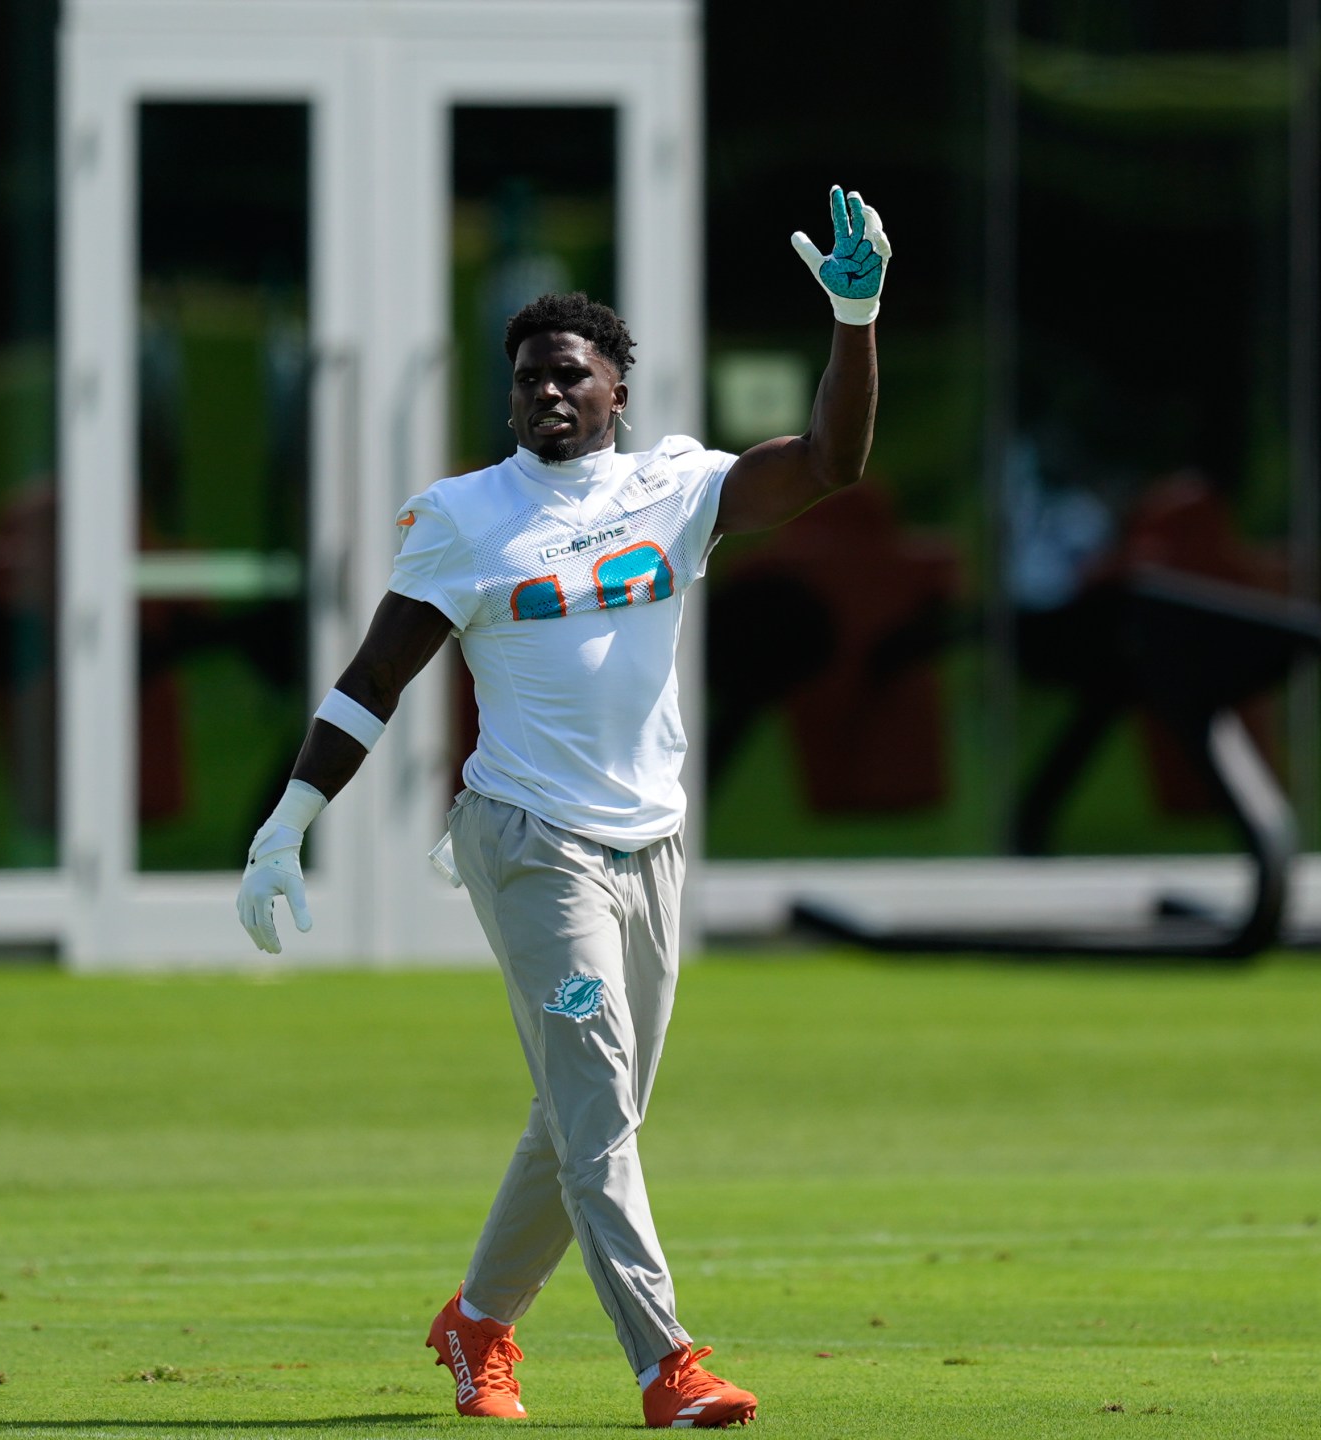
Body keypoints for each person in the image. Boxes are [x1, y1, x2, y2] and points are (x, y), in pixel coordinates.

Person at [232, 187, 891, 1428]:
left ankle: (477, 1323)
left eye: (570, 376)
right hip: (528, 839)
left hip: (651, 842)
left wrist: (853, 318)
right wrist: (287, 823)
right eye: (529, 375)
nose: (546, 393)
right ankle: (668, 1364)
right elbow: (376, 680)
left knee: (590, 1108)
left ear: (616, 390)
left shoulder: (677, 488)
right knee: (598, 1105)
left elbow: (830, 466)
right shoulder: (464, 519)